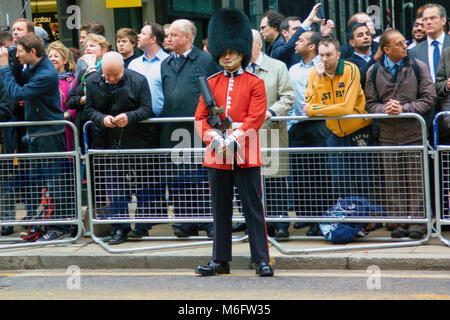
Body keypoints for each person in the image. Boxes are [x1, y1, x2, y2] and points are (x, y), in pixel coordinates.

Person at [195, 8, 273, 277]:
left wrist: (235, 139)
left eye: (232, 52)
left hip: (245, 152)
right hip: (217, 154)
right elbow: (200, 118)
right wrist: (215, 138)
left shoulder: (255, 82)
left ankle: (261, 259)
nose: (227, 57)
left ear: (241, 52)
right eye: (223, 53)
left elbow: (255, 118)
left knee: (253, 208)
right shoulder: (211, 83)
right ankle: (220, 260)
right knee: (220, 209)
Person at [0, 34, 73, 241]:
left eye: (20, 51)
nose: (17, 53)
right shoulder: (34, 67)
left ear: (33, 52)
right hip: (37, 134)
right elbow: (20, 82)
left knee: (54, 182)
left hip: (48, 135)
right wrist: (14, 63)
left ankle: (61, 228)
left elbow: (17, 93)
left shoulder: (46, 74)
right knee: (39, 181)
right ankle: (42, 224)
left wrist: (4, 67)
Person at [365, 29, 437, 240]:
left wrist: (403, 109)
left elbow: (429, 97)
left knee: (417, 180)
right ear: (386, 49)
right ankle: (399, 221)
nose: (404, 46)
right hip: (387, 135)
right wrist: (385, 110)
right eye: (398, 44)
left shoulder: (418, 66)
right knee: (394, 181)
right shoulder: (373, 71)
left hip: (413, 133)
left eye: (404, 43)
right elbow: (370, 104)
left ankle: (418, 223)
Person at [85, 51, 154, 245]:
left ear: (124, 68)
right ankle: (119, 228)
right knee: (114, 186)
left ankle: (142, 227)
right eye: (108, 75)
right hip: (108, 142)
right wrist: (102, 119)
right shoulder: (91, 82)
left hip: (136, 140)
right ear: (101, 70)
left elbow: (148, 108)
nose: (112, 79)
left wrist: (129, 117)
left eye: (116, 75)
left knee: (143, 184)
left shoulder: (138, 80)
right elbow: (89, 109)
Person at [160, 19, 217, 238]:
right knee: (178, 178)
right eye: (168, 35)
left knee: (203, 178)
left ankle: (209, 221)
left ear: (187, 38)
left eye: (173, 35)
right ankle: (185, 222)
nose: (169, 38)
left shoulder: (205, 61)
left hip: (199, 129)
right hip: (173, 130)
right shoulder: (165, 63)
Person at [304, 38, 372, 199]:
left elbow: (346, 108)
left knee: (363, 179)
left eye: (329, 55)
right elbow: (309, 108)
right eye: (321, 55)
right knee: (339, 180)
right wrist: (321, 81)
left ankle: (367, 219)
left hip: (358, 128)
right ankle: (345, 218)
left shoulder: (351, 69)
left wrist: (316, 110)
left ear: (338, 55)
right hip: (335, 132)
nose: (325, 59)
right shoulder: (315, 74)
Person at [127, 21, 169, 239]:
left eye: (142, 33)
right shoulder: (133, 65)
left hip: (167, 122)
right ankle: (144, 222)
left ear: (153, 38)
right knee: (145, 173)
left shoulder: (169, 62)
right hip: (142, 124)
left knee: (171, 172)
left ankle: (180, 220)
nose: (138, 36)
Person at [288, 30, 331, 235]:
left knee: (318, 172)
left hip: (318, 124)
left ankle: (319, 219)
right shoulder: (293, 69)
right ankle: (305, 215)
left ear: (312, 46)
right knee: (299, 172)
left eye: (301, 40)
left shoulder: (323, 68)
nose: (296, 43)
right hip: (296, 125)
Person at [265, 3, 335, 69]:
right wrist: (309, 20)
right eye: (296, 29)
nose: (300, 32)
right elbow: (288, 48)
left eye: (300, 28)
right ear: (284, 33)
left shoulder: (308, 46)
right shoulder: (279, 47)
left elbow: (325, 53)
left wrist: (325, 35)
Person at [47, 41, 77, 152]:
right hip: (48, 127)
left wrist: (66, 115)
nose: (52, 59)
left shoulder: (72, 82)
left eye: (56, 56)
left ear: (65, 60)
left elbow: (76, 103)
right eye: (49, 56)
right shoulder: (43, 80)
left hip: (66, 127)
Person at [409, 4, 449, 83]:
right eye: (425, 19)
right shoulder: (414, 52)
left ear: (443, 20)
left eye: (432, 18)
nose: (428, 22)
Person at [345, 23, 379, 88]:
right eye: (360, 35)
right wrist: (375, 59)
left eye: (368, 34)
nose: (366, 37)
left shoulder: (380, 55)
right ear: (352, 42)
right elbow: (357, 79)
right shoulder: (348, 63)